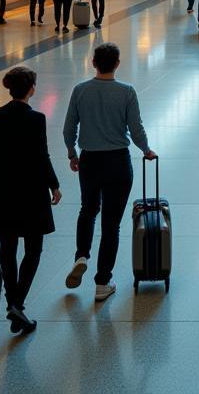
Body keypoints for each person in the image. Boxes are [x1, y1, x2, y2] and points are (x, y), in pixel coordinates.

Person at [63, 43, 156, 303]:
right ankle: (103, 282)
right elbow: (136, 129)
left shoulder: (80, 91)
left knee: (88, 209)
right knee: (111, 224)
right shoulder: (126, 92)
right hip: (118, 161)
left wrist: (72, 154)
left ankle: (81, 255)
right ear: (117, 64)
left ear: (93, 63)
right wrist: (147, 150)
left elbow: (68, 128)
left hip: (90, 160)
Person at [0, 66, 60, 334]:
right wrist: (54, 185)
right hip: (31, 192)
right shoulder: (37, 119)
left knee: (7, 247)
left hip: (2, 191)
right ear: (31, 89)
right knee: (33, 250)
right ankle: (17, 303)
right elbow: (41, 155)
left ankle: (12, 301)